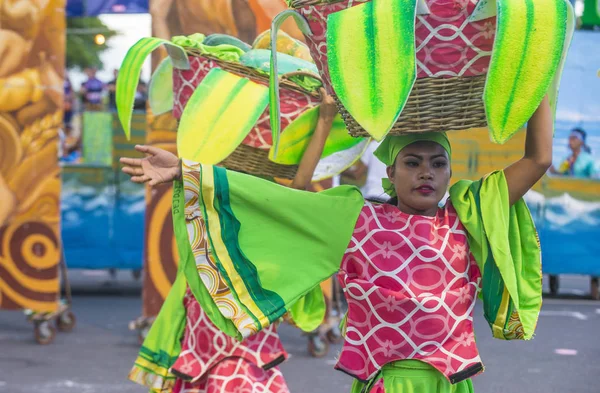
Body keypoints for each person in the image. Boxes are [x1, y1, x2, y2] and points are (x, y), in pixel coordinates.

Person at [121, 93, 552, 392]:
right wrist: (189, 171)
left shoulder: (467, 214)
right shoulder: (356, 218)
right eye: (412, 162)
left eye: (438, 164)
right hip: (384, 382)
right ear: (389, 173)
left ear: (448, 173)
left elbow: (538, 159)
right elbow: (281, 200)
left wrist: (538, 84)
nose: (426, 172)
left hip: (450, 383)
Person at [120, 88, 338, 393]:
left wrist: (325, 120)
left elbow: (299, 186)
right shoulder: (206, 230)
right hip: (199, 366)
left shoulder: (266, 230)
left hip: (242, 370)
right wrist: (183, 171)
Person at [548, 127, 598, 298]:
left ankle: (594, 283)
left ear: (581, 141)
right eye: (569, 138)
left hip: (584, 206)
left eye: (573, 138)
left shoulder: (588, 160)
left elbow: (594, 178)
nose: (570, 141)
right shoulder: (566, 160)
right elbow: (560, 176)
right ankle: (553, 274)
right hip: (567, 206)